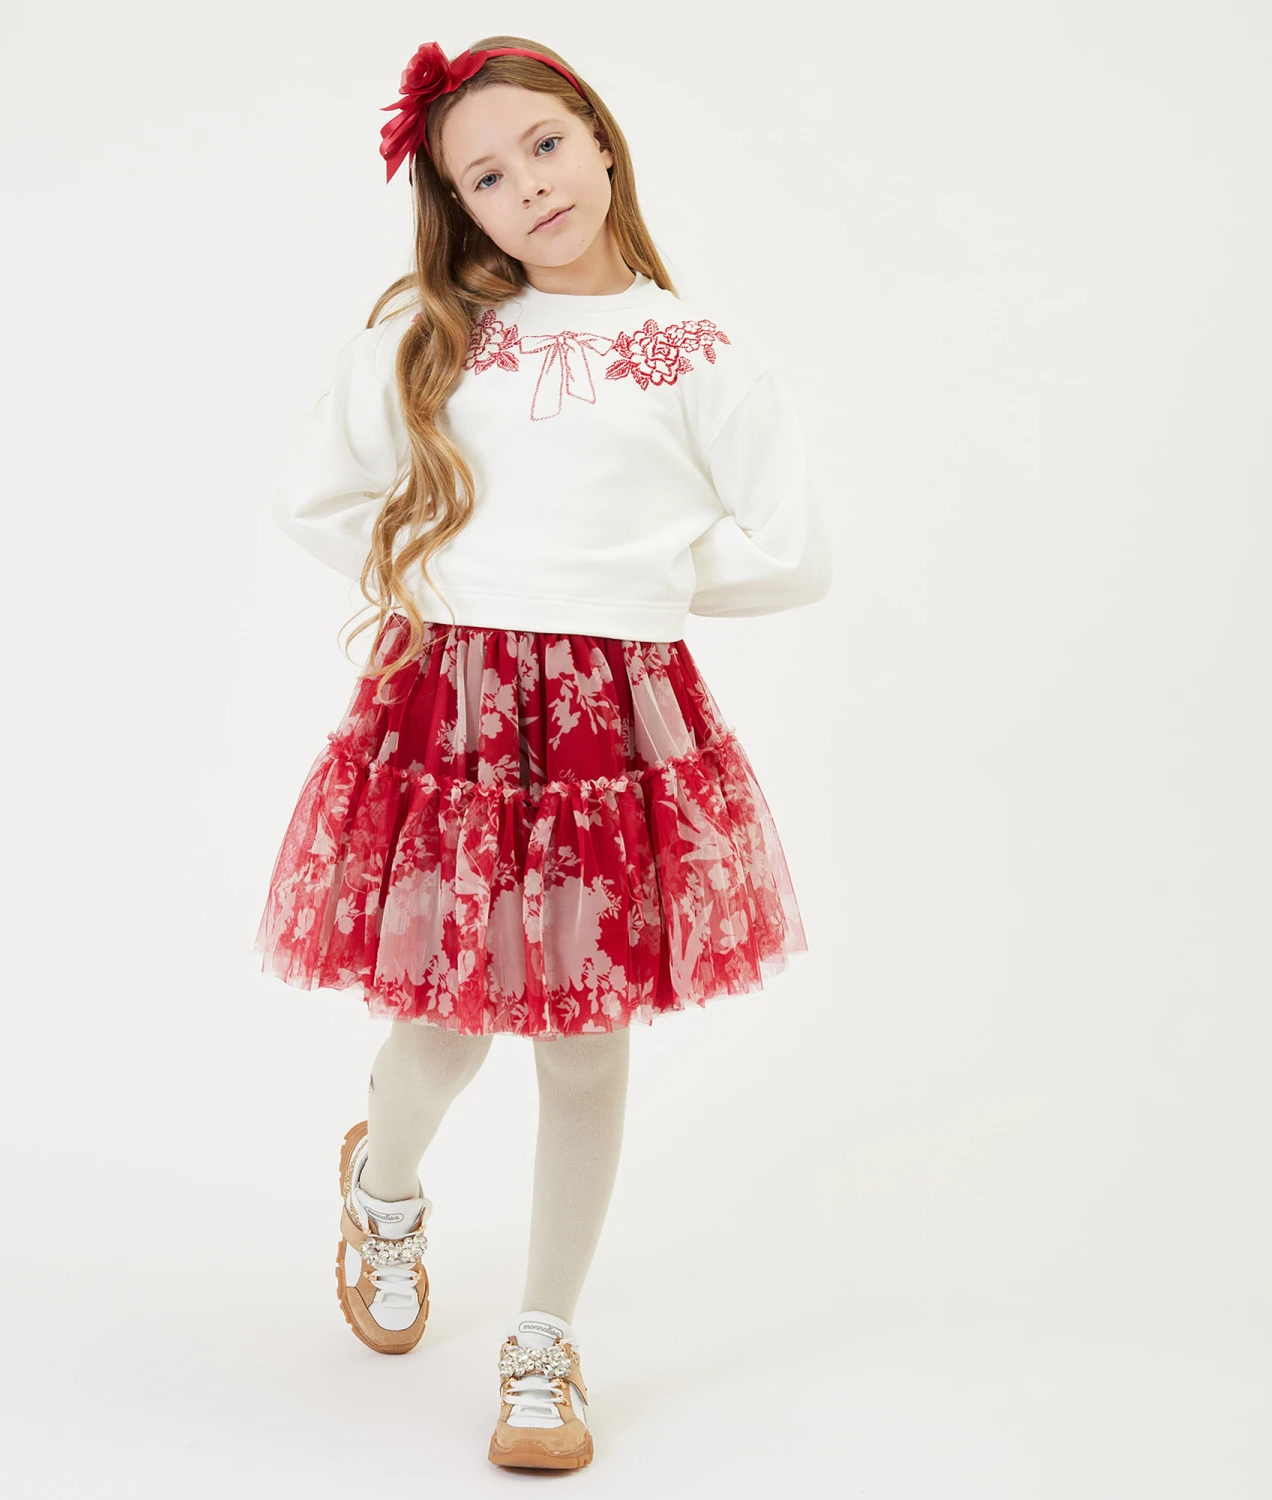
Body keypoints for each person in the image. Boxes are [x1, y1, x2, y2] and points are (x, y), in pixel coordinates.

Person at [253, 35, 832, 1471]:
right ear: (460, 207)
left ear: (602, 139)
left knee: (583, 1042)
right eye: (487, 176)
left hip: (609, 725)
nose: (530, 186)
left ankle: (543, 1341)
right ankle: (384, 1186)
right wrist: (445, 579)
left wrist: (633, 580)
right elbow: (322, 498)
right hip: (454, 711)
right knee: (443, 1031)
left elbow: (792, 550)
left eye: (546, 146)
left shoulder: (696, 351)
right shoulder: (434, 333)